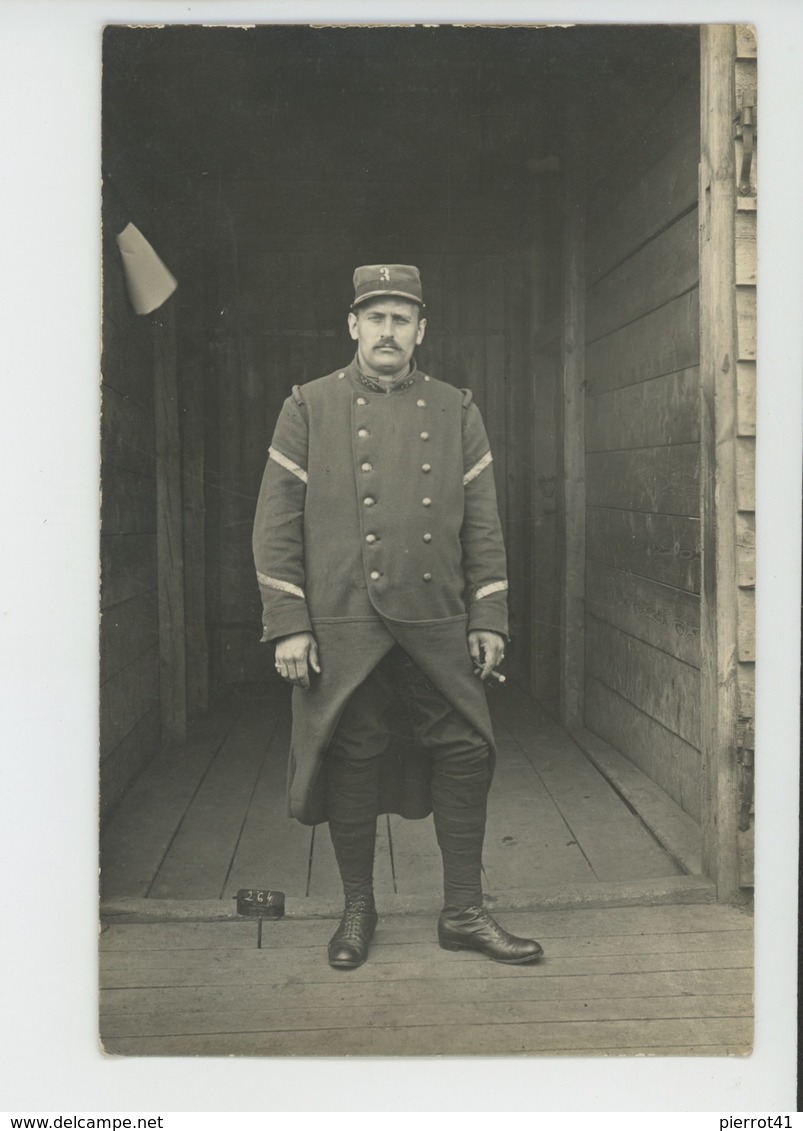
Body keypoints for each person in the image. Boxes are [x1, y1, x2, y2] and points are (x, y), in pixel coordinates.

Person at [252, 264, 543, 969]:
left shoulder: (454, 410)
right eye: (374, 316)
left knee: (467, 751)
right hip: (344, 622)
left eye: (400, 318)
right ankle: (356, 910)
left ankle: (464, 912)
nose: (387, 330)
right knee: (352, 756)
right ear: (352, 325)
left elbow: (482, 525)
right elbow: (274, 522)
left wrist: (489, 614)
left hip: (437, 622)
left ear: (420, 330)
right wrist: (287, 619)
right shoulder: (309, 405)